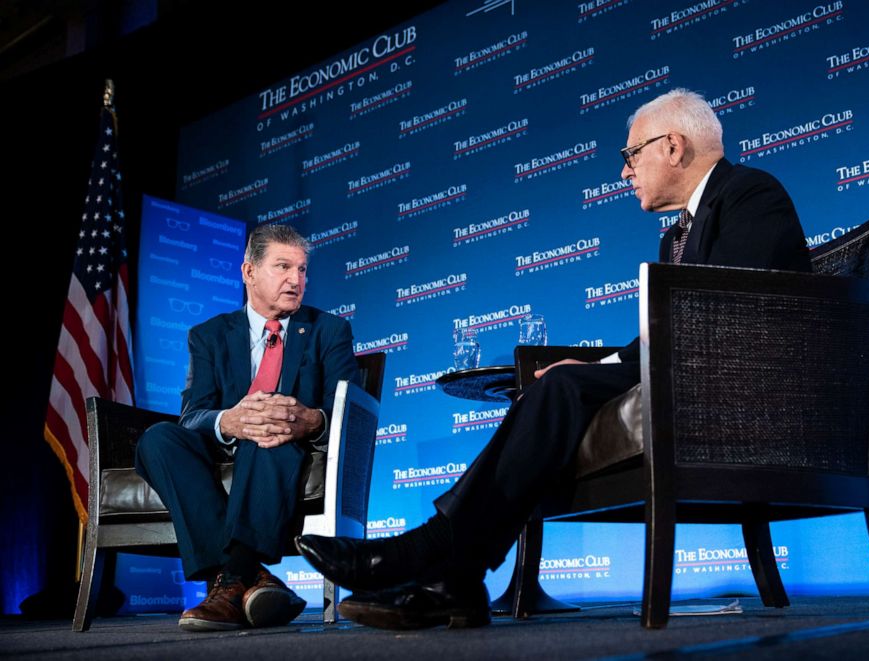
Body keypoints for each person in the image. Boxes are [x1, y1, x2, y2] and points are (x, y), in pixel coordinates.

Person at [296, 88, 811, 630]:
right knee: (556, 389)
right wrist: (595, 368)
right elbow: (675, 327)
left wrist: (597, 373)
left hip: (740, 400)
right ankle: (454, 576)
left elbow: (719, 316)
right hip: (688, 377)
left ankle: (432, 555)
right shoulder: (676, 237)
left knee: (561, 390)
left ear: (673, 147)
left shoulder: (750, 193)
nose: (625, 172)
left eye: (631, 155)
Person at [135, 224, 359, 631]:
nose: (297, 279)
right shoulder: (209, 335)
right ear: (249, 272)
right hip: (224, 444)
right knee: (158, 439)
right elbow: (193, 414)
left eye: (303, 270)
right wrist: (229, 420)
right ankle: (251, 577)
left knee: (267, 432)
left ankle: (229, 583)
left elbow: (346, 411)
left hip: (287, 445)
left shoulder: (329, 330)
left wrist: (310, 420)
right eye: (283, 267)